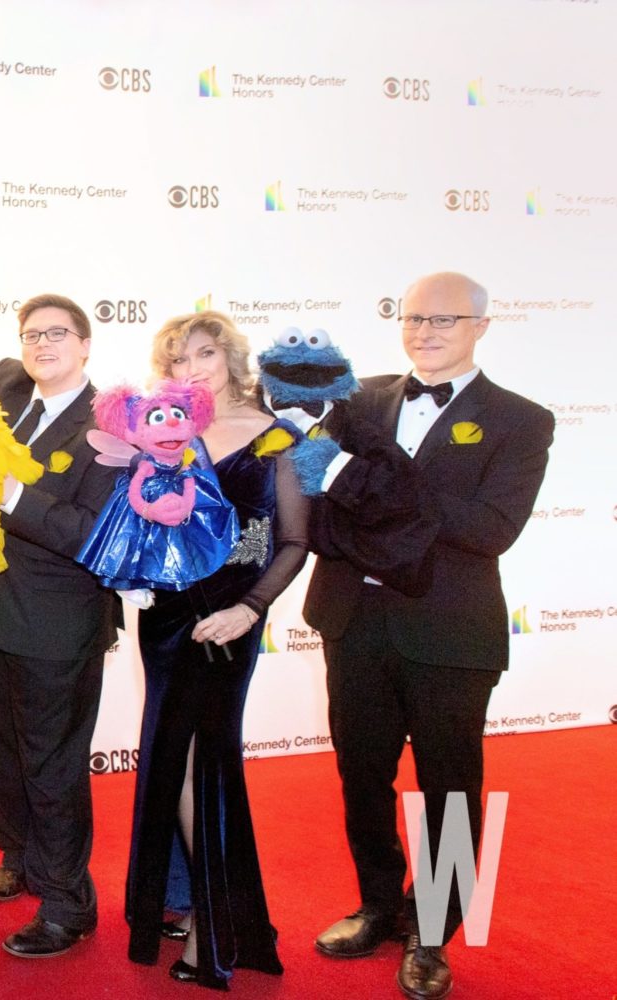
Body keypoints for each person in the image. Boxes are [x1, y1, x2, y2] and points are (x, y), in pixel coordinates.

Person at [305, 272, 553, 1000]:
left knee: (450, 787)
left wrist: (376, 489)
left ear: (481, 325)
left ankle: (434, 932)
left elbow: (490, 529)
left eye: (443, 319)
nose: (425, 331)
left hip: (450, 631)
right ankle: (378, 905)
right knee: (361, 772)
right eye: (413, 317)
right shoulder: (357, 400)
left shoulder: (522, 419)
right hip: (353, 620)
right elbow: (313, 489)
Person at [124, 311, 303, 989]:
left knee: (207, 768)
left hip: (228, 623)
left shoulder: (276, 436)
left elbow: (292, 540)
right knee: (171, 764)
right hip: (167, 619)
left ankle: (212, 923)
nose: (190, 368)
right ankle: (220, 913)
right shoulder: (162, 432)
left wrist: (248, 608)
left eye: (203, 353)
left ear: (231, 357)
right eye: (176, 359)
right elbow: (138, 518)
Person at [0, 294, 120, 958]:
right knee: (1, 748)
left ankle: (66, 902)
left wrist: (12, 496)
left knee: (53, 765)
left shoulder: (111, 425)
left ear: (85, 345)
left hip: (58, 622)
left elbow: (94, 534)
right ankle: (18, 855)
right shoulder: (7, 400)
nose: (42, 343)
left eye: (57, 333)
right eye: (31, 334)